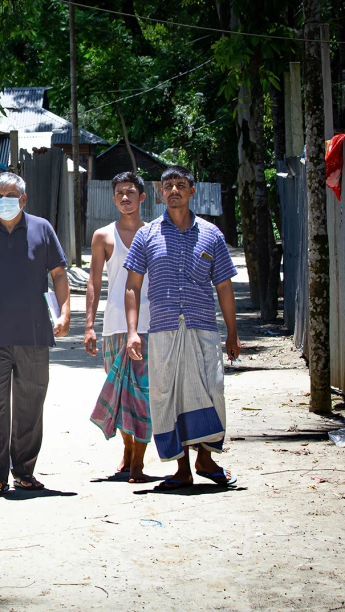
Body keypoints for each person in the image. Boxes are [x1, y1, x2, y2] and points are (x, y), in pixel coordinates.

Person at [123, 165, 242, 491]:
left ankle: (205, 458)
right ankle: (181, 469)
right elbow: (132, 286)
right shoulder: (146, 236)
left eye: (180, 185)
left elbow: (224, 287)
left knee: (209, 391)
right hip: (162, 330)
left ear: (192, 190)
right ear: (161, 193)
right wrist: (133, 331)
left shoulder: (211, 234)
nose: (173, 190)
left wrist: (232, 332)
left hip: (202, 327)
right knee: (167, 396)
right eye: (167, 186)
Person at [0, 172, 70, 498]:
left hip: (35, 335)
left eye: (10, 194)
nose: (4, 200)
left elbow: (60, 274)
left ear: (23, 199)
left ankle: (24, 471)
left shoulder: (42, 230)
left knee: (30, 405)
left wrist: (64, 313)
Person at [86, 172, 153, 483]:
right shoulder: (103, 236)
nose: (125, 197)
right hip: (114, 325)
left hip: (152, 325)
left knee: (144, 395)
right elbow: (94, 282)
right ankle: (127, 450)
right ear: (113, 199)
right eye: (119, 193)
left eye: (130, 192)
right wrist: (88, 325)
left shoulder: (154, 233)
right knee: (122, 393)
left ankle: (139, 459)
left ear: (142, 197)